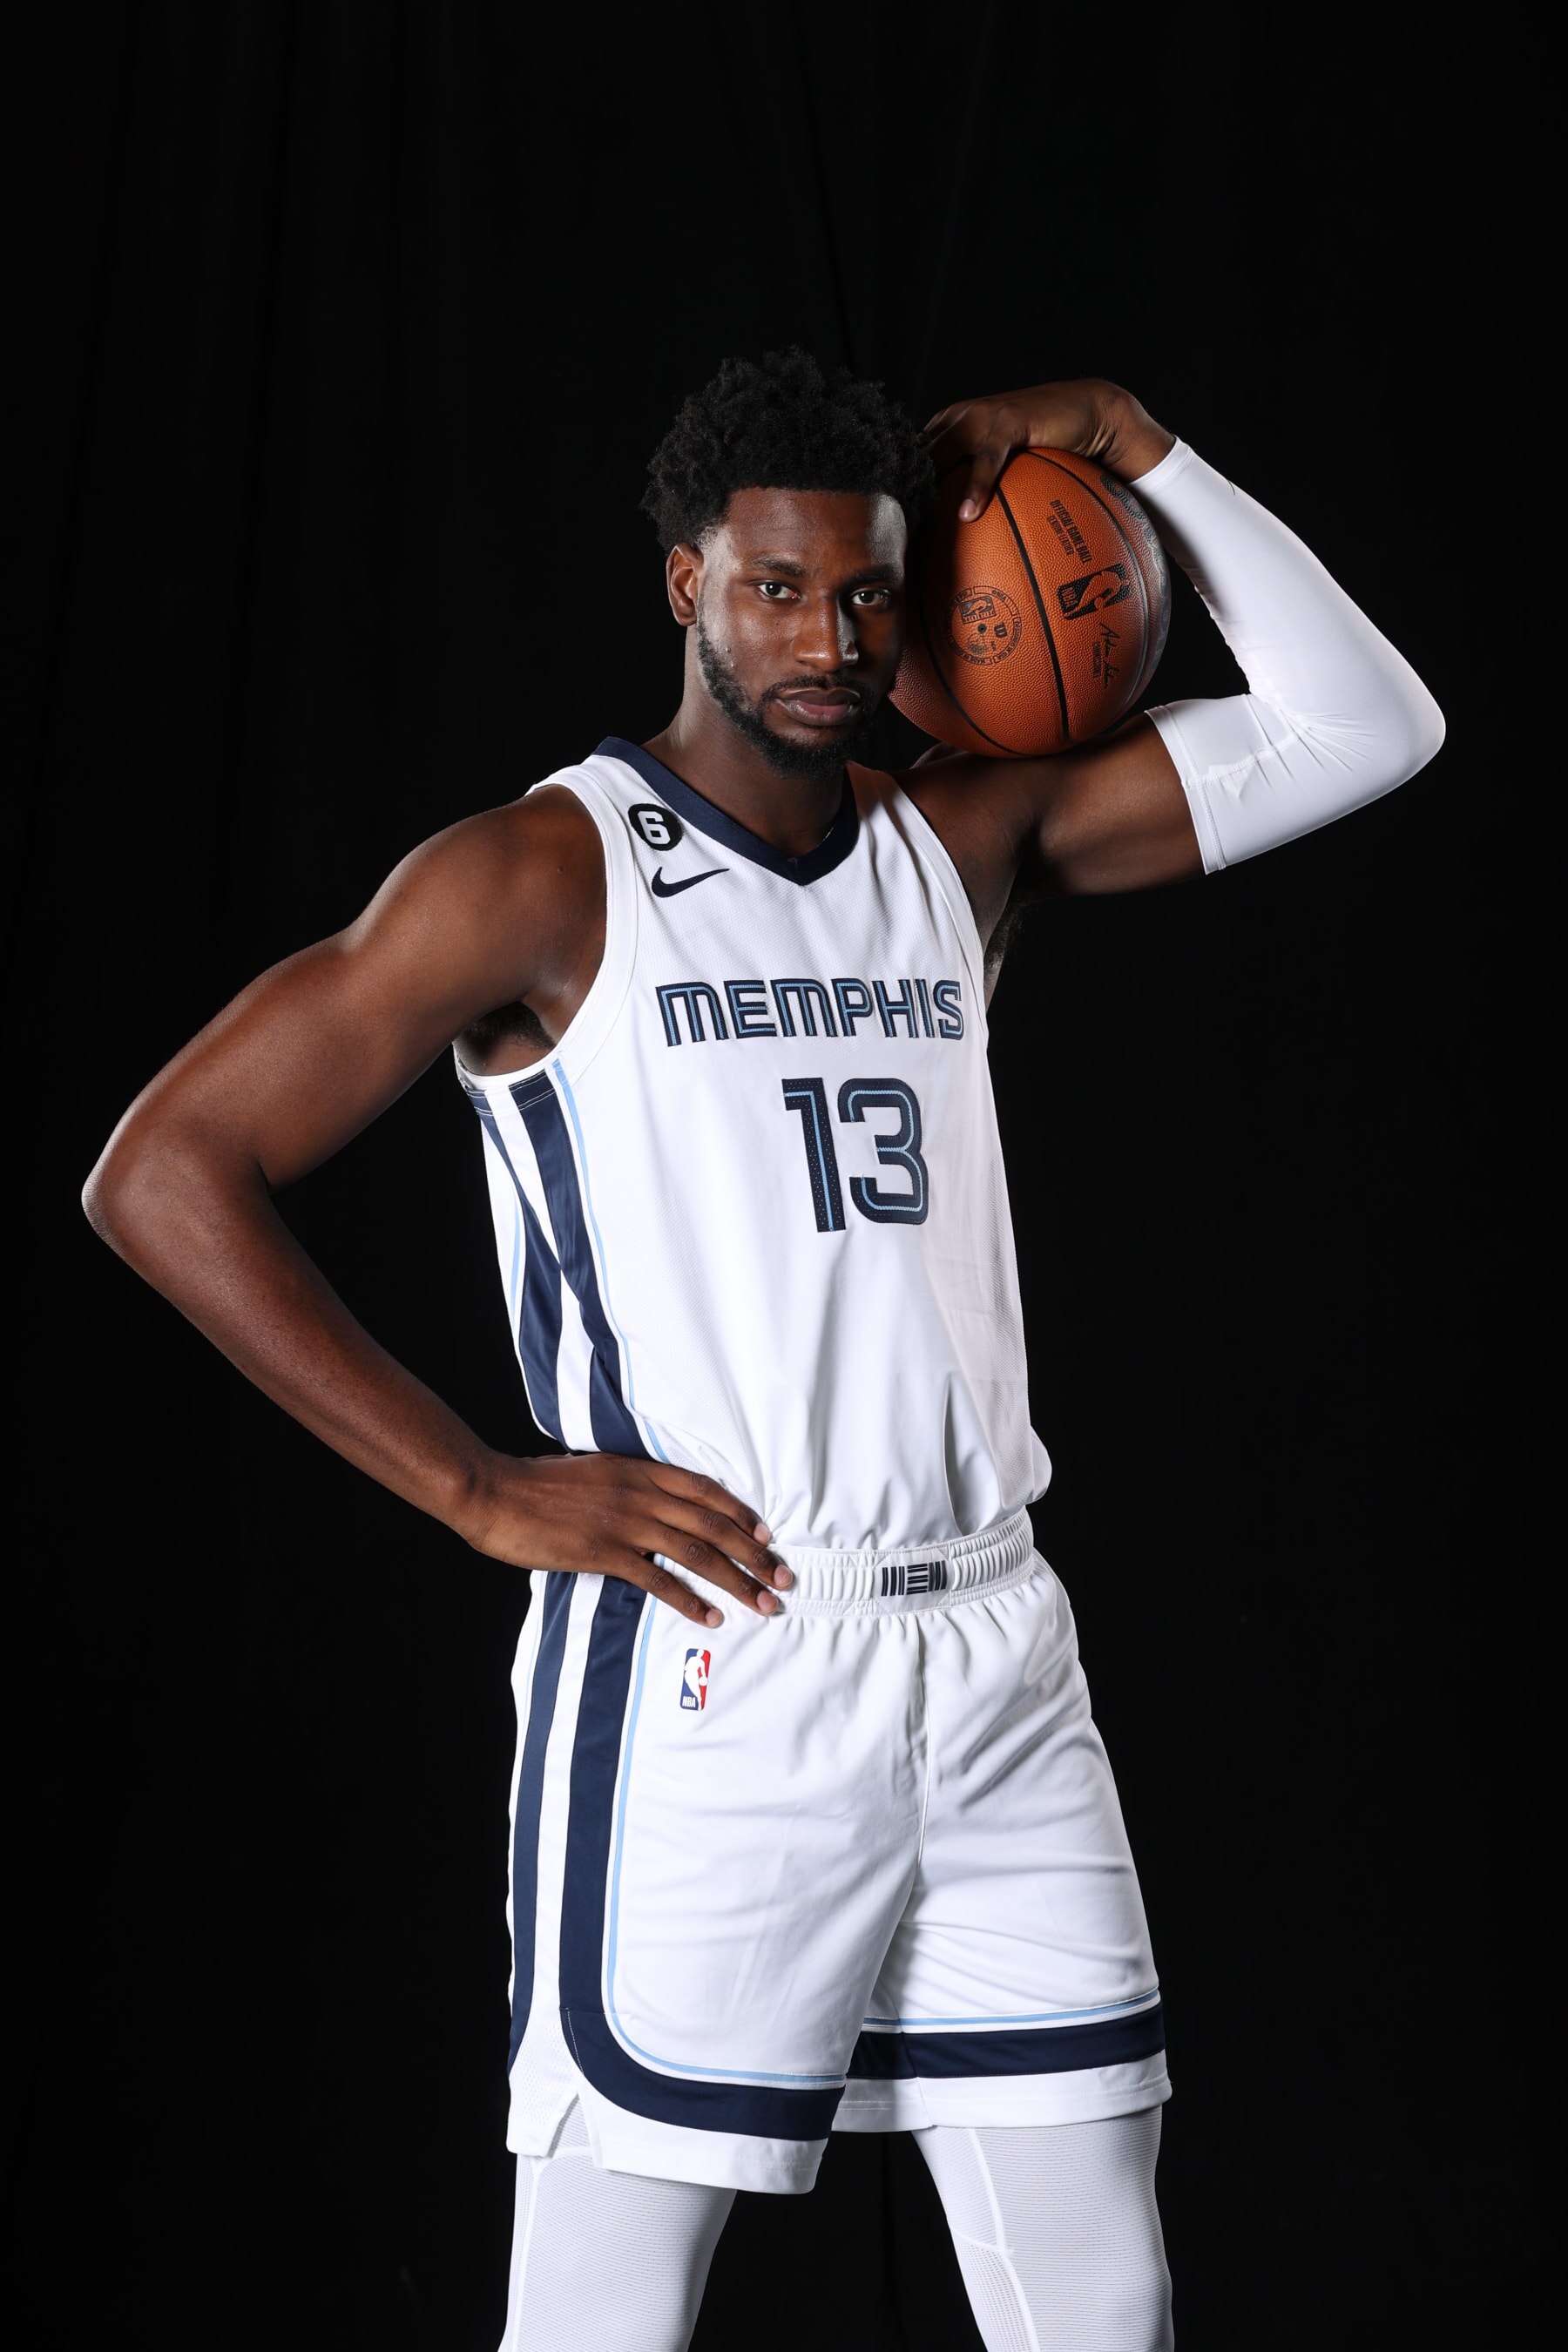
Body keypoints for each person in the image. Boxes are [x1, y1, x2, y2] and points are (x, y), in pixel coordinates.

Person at [84, 350, 1443, 2350]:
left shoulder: (952, 849)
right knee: (610, 2312)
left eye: (871, 594)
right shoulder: (543, 874)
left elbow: (1372, 724)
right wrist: (473, 1485)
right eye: (778, 589)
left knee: (1104, 2297)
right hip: (727, 1659)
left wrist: (1132, 443)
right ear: (684, 586)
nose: (829, 638)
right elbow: (162, 1172)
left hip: (995, 1656)